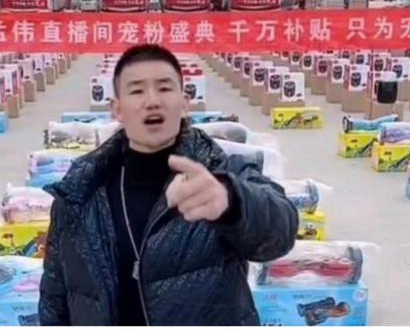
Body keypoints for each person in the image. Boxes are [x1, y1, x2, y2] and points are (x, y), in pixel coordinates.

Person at [39, 44, 298, 325]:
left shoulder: (220, 173)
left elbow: (281, 231)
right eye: (137, 91)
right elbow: (55, 293)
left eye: (164, 88)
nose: (152, 101)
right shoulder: (81, 191)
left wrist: (233, 202)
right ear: (117, 109)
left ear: (185, 102)